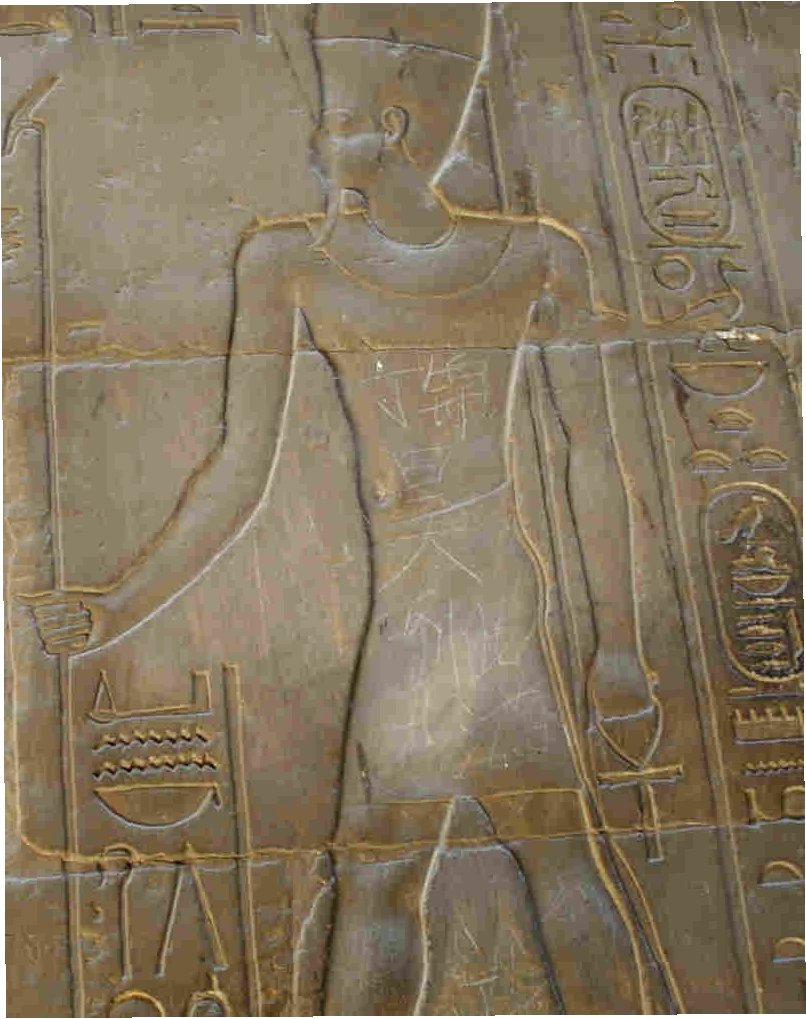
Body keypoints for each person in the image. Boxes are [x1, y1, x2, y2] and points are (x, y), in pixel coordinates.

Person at [27, 6, 673, 1013]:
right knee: (536, 859)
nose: (315, 144)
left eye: (330, 120)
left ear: (393, 126)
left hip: (449, 613)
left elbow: (598, 461)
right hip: (473, 602)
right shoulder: (301, 262)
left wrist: (623, 646)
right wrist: (119, 605)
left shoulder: (518, 258)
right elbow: (238, 474)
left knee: (406, 874)